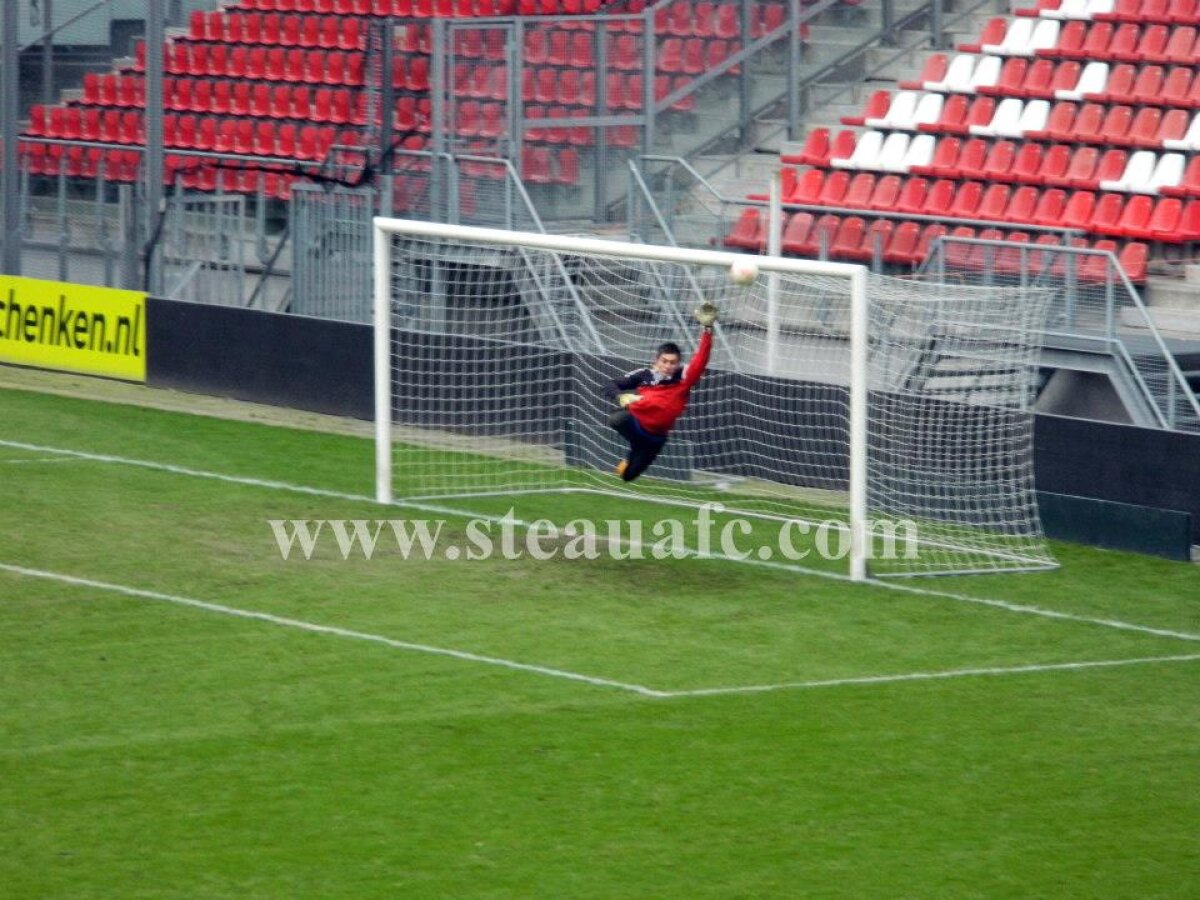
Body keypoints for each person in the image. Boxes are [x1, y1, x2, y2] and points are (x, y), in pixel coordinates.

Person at [603, 301, 718, 482]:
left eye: (672, 362)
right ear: (655, 361)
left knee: (627, 476)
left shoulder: (684, 378)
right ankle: (634, 444)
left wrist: (708, 329)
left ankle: (632, 455)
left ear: (677, 364)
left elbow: (701, 359)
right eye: (664, 361)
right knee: (617, 418)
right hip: (637, 425)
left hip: (655, 439)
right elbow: (609, 385)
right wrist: (620, 396)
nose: (668, 366)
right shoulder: (643, 375)